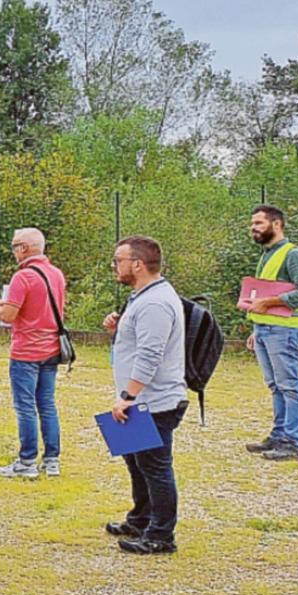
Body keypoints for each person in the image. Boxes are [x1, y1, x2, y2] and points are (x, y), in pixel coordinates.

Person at [102, 236, 187, 555]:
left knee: (155, 467)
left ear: (137, 264)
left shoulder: (155, 303)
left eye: (118, 260)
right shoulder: (144, 296)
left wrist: (129, 396)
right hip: (141, 399)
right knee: (137, 462)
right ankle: (140, 519)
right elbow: (139, 342)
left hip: (153, 401)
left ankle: (161, 535)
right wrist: (119, 328)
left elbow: (150, 354)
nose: (114, 266)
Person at [239, 205, 298, 462]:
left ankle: (293, 442)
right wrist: (257, 328)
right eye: (253, 224)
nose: (253, 228)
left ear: (277, 224)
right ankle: (279, 436)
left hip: (284, 330)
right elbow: (263, 295)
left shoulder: (293, 255)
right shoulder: (268, 254)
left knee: (289, 386)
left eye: (259, 223)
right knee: (276, 386)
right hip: (266, 330)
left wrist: (269, 304)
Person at [0, 228, 68, 479]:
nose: (13, 252)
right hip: (51, 349)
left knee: (25, 407)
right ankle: (52, 460)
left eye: (15, 246)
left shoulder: (23, 277)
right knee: (47, 404)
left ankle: (27, 461)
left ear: (24, 248)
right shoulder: (56, 274)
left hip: (26, 351)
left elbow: (9, 315)